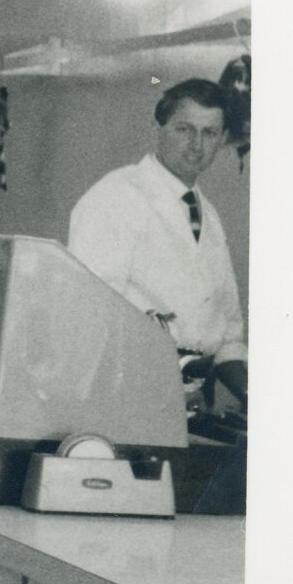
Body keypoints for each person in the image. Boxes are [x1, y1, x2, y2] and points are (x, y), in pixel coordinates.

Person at [67, 77, 246, 408]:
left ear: (222, 140)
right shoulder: (117, 196)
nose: (196, 144)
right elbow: (87, 313)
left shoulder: (207, 214)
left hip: (190, 400)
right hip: (124, 394)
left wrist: (255, 398)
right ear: (159, 128)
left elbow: (228, 333)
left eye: (209, 133)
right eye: (184, 129)